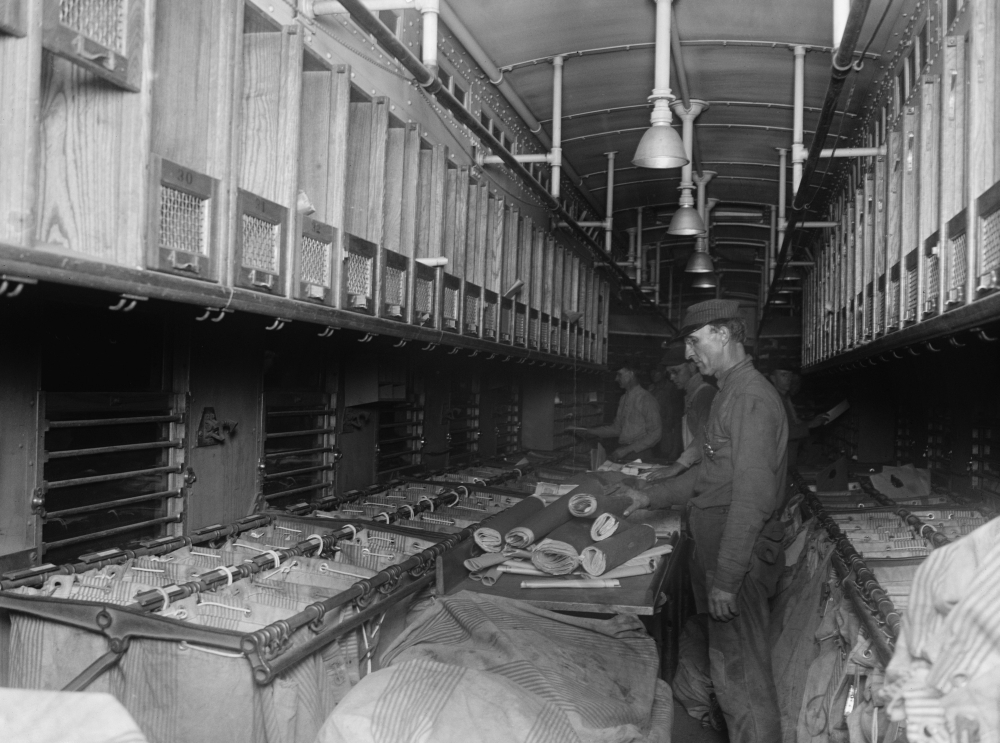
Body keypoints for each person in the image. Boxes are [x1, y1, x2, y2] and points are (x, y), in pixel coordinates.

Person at [621, 299, 789, 743]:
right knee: (728, 668)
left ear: (724, 335)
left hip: (738, 560)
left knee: (744, 682)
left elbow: (752, 498)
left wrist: (728, 580)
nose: (690, 355)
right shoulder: (730, 392)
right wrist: (647, 496)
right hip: (718, 551)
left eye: (695, 342)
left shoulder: (749, 398)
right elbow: (709, 476)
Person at [649, 345, 717, 480]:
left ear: (692, 366)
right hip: (697, 467)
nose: (672, 377)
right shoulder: (690, 395)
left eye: (676, 371)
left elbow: (705, 437)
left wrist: (677, 466)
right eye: (669, 373)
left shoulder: (705, 394)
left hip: (708, 471)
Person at [580, 364, 662, 461]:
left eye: (619, 375)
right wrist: (590, 431)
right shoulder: (623, 399)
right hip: (625, 452)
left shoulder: (646, 399)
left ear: (631, 374)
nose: (616, 379)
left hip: (640, 454)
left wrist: (627, 450)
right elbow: (617, 429)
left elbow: (655, 434)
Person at [769, 365, 825, 467]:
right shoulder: (773, 400)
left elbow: (793, 423)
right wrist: (809, 425)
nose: (789, 379)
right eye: (784, 375)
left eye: (790, 376)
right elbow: (779, 432)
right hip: (781, 459)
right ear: (773, 378)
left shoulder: (785, 398)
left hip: (789, 457)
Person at [648, 363, 684, 460]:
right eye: (652, 371)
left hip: (668, 437)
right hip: (652, 437)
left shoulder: (673, 389)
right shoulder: (651, 390)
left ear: (664, 372)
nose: (654, 374)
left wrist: (675, 449)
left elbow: (677, 421)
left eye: (657, 372)